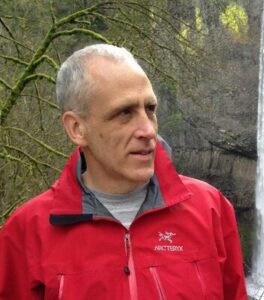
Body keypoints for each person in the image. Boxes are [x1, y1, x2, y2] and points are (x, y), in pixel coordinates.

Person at [0, 44, 247, 299]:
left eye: (150, 109)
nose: (148, 130)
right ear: (76, 128)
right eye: (125, 113)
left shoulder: (210, 209)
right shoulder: (26, 233)